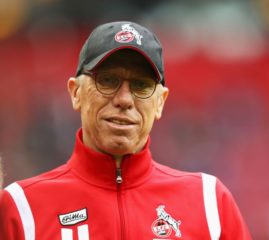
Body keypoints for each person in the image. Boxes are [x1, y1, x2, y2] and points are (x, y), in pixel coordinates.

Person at [0, 21, 252, 239]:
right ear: (76, 93)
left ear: (160, 102)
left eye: (141, 85)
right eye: (108, 80)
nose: (124, 99)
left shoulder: (209, 204)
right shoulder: (21, 208)